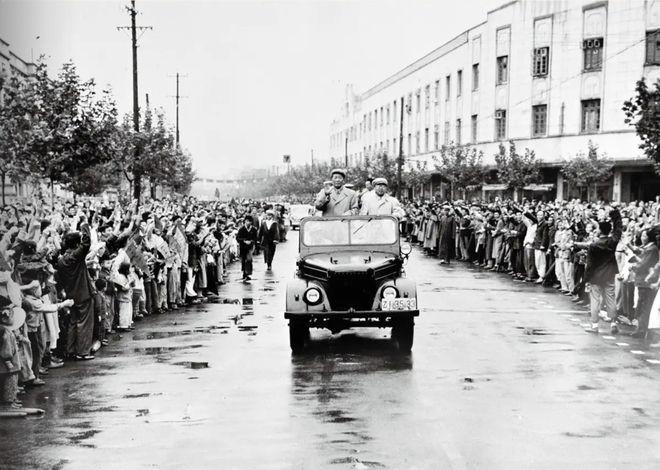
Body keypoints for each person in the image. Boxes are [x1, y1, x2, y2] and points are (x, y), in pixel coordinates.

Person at [573, 207, 622, 334]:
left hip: (596, 276)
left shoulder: (594, 245)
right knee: (611, 298)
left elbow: (590, 265)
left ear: (600, 230)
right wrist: (615, 214)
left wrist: (586, 279)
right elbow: (618, 229)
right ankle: (613, 323)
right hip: (610, 274)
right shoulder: (613, 241)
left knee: (595, 300)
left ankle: (594, 326)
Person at [56, 220, 96, 360]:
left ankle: (70, 350)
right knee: (84, 323)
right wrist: (85, 225)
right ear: (76, 244)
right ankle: (83, 351)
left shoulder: (61, 260)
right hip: (83, 292)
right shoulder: (76, 256)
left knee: (73, 322)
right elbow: (86, 244)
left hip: (70, 294)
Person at [236, 216, 258, 281]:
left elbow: (256, 238)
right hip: (243, 246)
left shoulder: (254, 229)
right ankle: (244, 273)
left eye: (250, 221)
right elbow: (237, 238)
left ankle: (248, 273)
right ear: (245, 221)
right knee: (243, 259)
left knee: (249, 259)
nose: (248, 222)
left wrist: (251, 241)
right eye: (247, 221)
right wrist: (244, 241)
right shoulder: (241, 229)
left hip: (250, 247)